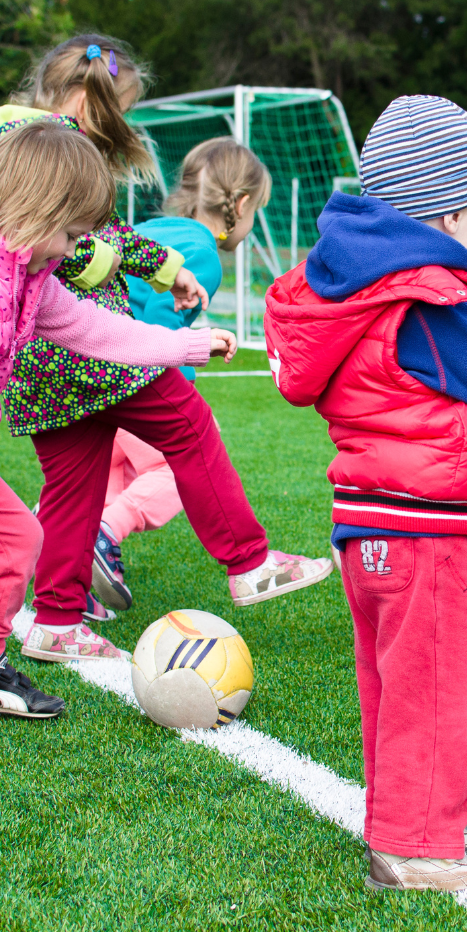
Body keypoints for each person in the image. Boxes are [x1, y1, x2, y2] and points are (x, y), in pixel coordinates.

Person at [0, 120, 230, 781]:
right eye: (75, 232)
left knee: (18, 541)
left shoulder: (25, 270)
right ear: (37, 212)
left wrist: (190, 345)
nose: (80, 247)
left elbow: (97, 332)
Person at [0, 35, 332, 659]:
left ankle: (55, 621)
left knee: (74, 487)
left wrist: (166, 269)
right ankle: (248, 562)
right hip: (87, 346)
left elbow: (101, 232)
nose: (120, 126)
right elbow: (67, 245)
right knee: (189, 426)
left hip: (37, 360)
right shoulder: (44, 147)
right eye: (118, 111)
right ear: (84, 98)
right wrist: (127, 275)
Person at [265, 95, 467, 892]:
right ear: (452, 213)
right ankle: (416, 847)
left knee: (397, 686)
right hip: (420, 535)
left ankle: (408, 817)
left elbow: (407, 399)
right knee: (437, 689)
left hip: (375, 524)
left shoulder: (367, 287)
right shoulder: (425, 296)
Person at [92, 138, 272, 620]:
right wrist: (181, 374)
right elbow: (158, 318)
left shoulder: (150, 229)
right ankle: (106, 531)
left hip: (86, 373)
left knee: (103, 473)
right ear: (241, 204)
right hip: (130, 378)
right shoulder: (203, 254)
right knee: (176, 467)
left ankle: (78, 574)